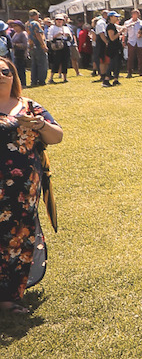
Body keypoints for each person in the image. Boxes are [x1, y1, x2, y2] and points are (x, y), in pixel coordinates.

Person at [0, 56, 63, 314]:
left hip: (24, 186)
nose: (2, 75)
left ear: (14, 76)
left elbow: (57, 136)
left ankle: (9, 297)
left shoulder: (28, 105)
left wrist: (40, 124)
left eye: (7, 71)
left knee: (19, 236)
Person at [45, 14, 73, 84]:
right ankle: (51, 78)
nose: (59, 21)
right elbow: (49, 38)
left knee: (65, 61)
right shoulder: (52, 28)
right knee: (56, 61)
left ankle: (65, 77)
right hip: (57, 45)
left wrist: (68, 35)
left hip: (65, 45)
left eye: (61, 20)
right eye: (57, 20)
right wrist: (57, 35)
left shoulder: (66, 28)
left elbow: (71, 38)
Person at [26, 10, 48, 88]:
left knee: (34, 64)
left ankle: (34, 80)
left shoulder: (27, 24)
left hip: (31, 45)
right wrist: (43, 45)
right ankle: (41, 80)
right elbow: (38, 34)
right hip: (38, 45)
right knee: (42, 63)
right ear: (35, 15)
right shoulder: (35, 23)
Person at [122, 8, 142, 78]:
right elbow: (124, 33)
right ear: (132, 14)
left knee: (140, 57)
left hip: (140, 42)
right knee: (130, 57)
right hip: (131, 41)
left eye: (137, 14)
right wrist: (123, 40)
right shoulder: (127, 23)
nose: (136, 15)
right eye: (134, 13)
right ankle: (129, 71)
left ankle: (141, 71)